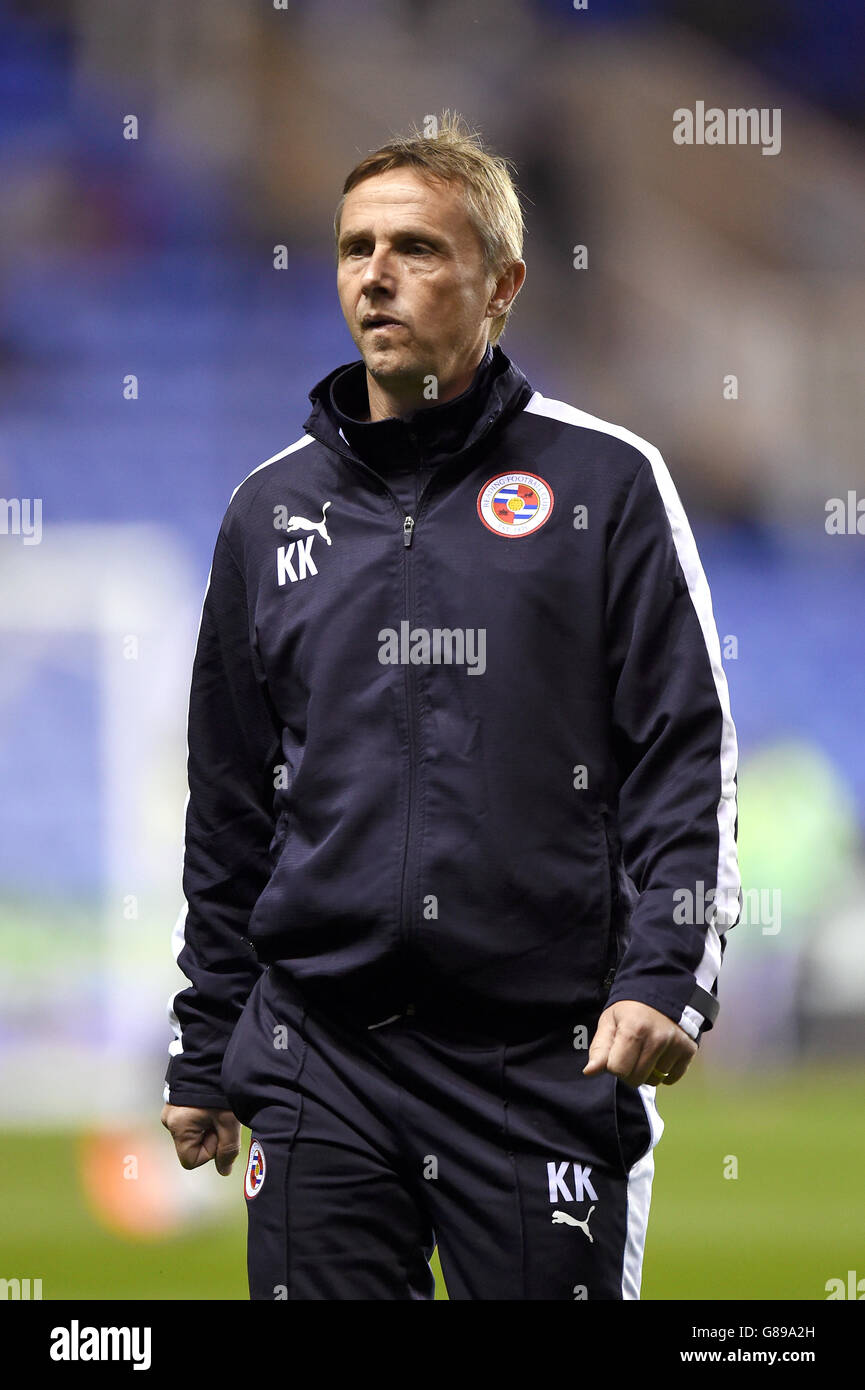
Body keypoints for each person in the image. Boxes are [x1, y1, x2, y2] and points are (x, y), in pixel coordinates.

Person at [161, 112, 740, 1301]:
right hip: (321, 1053)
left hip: (536, 1061)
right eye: (355, 246)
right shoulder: (265, 517)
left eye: (418, 248)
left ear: (502, 285)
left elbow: (684, 751)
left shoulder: (605, 484)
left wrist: (665, 969)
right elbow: (227, 806)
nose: (376, 274)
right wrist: (205, 1037)